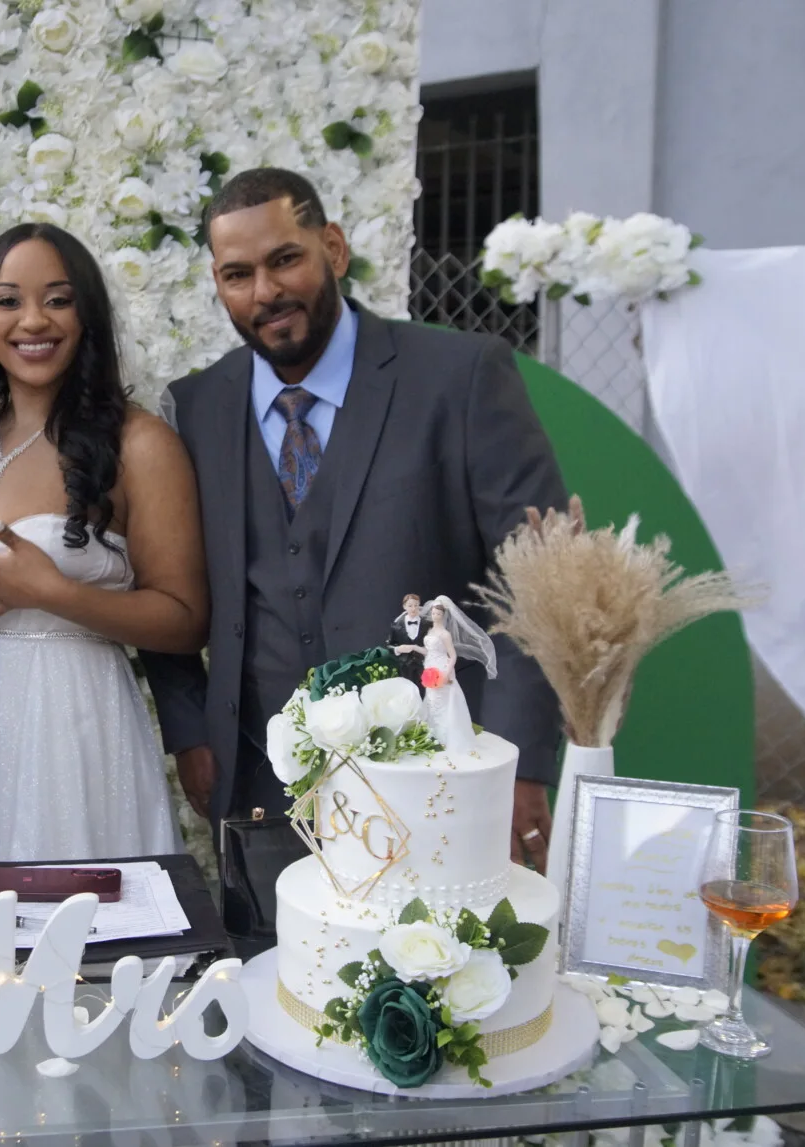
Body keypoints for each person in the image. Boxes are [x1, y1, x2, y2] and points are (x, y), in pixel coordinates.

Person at [141, 168, 567, 884]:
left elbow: (541, 575)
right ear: (217, 283)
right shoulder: (195, 407)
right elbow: (165, 578)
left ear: (333, 247)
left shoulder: (459, 378)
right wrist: (190, 729)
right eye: (237, 274)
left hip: (439, 776)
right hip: (260, 787)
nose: (265, 292)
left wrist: (520, 758)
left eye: (285, 259)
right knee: (273, 986)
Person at [0, 223, 207, 872]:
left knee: (67, 944)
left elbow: (184, 620)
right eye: (8, 300)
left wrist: (54, 593)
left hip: (63, 722)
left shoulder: (140, 443)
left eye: (58, 299)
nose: (32, 319)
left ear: (87, 314)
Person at [416, 595, 497, 753]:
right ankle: (431, 734)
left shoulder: (445, 634)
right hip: (430, 666)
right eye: (433, 613)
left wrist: (446, 673)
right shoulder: (430, 630)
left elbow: (452, 655)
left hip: (441, 667)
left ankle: (447, 737)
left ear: (443, 615)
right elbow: (428, 651)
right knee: (431, 699)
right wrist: (413, 648)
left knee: (444, 700)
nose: (435, 616)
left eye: (438, 614)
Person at [389, 592, 426, 681]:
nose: (413, 609)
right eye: (410, 606)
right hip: (404, 665)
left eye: (416, 605)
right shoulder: (396, 625)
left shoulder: (427, 623)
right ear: (404, 607)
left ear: (419, 605)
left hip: (423, 664)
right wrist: (398, 649)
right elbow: (388, 645)